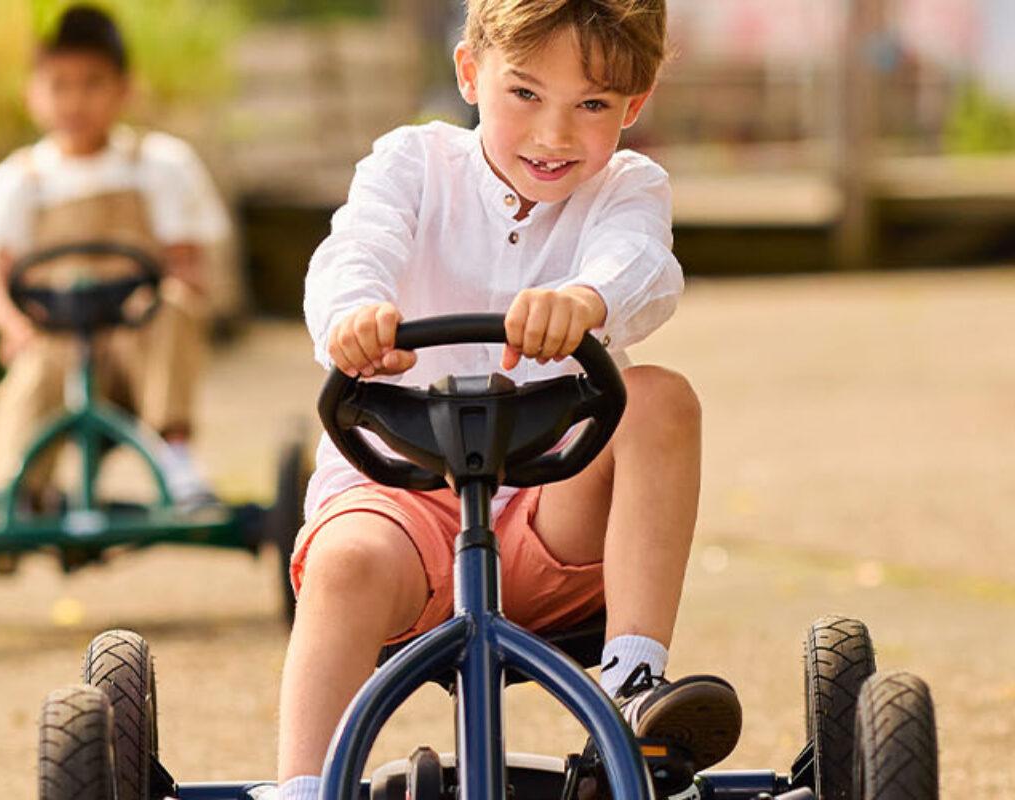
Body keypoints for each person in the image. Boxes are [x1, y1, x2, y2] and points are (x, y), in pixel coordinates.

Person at [271, 1, 742, 797]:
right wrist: (355, 316)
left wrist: (588, 299)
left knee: (661, 399)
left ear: (633, 106)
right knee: (345, 562)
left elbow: (643, 267)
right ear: (469, 73)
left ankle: (632, 684)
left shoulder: (627, 187)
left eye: (591, 106)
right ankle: (307, 785)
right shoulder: (413, 164)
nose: (554, 135)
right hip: (402, 503)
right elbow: (357, 247)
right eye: (525, 94)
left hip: (552, 510)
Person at [0, 4, 229, 523]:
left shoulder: (158, 165)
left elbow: (188, 266)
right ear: (31, 94)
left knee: (171, 304)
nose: (74, 100)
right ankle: (11, 486)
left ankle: (176, 459)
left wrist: (172, 292)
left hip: (137, 337)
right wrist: (15, 324)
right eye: (58, 85)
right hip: (58, 339)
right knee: (32, 367)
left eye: (92, 84)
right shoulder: (20, 180)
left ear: (124, 90)